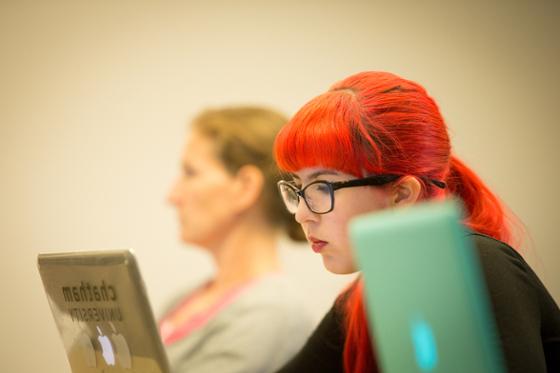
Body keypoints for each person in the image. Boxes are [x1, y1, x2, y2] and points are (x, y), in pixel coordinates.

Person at [273, 71, 560, 373]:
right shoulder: (367, 295)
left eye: (322, 188)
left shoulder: (474, 264)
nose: (301, 214)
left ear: (401, 194)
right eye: (297, 188)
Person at [161, 106, 313, 373]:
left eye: (190, 173)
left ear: (245, 187)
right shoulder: (183, 298)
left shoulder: (271, 314)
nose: (172, 196)